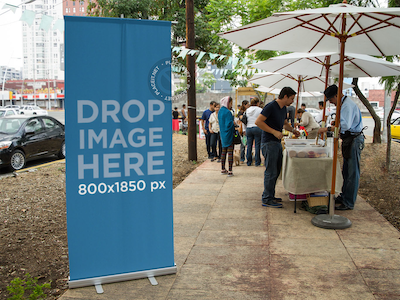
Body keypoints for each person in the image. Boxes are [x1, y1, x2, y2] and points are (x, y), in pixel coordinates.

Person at [318, 84, 364, 210]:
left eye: (331, 99)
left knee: (352, 173)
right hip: (349, 140)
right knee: (346, 171)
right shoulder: (343, 104)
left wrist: (327, 128)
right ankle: (344, 196)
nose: (331, 102)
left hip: (354, 139)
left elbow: (345, 126)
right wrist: (335, 122)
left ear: (337, 95)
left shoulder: (347, 105)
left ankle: (349, 202)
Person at [255, 87, 300, 208]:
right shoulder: (270, 106)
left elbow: (285, 124)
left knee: (276, 170)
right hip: (269, 143)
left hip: (277, 143)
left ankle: (271, 195)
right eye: (291, 98)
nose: (292, 101)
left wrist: (293, 130)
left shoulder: (283, 108)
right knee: (271, 171)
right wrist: (274, 132)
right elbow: (258, 122)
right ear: (285, 96)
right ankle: (267, 198)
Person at [218, 96, 235, 177]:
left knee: (223, 151)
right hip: (229, 134)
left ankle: (222, 169)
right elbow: (229, 124)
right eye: (231, 103)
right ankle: (230, 170)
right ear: (227, 103)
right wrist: (233, 122)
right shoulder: (228, 112)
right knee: (230, 152)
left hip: (222, 134)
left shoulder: (220, 111)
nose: (231, 104)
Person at [245, 98, 263, 166]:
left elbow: (245, 120)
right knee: (257, 145)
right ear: (257, 103)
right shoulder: (260, 110)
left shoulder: (247, 110)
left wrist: (244, 129)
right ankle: (257, 162)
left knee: (249, 145)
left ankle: (249, 162)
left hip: (249, 128)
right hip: (257, 128)